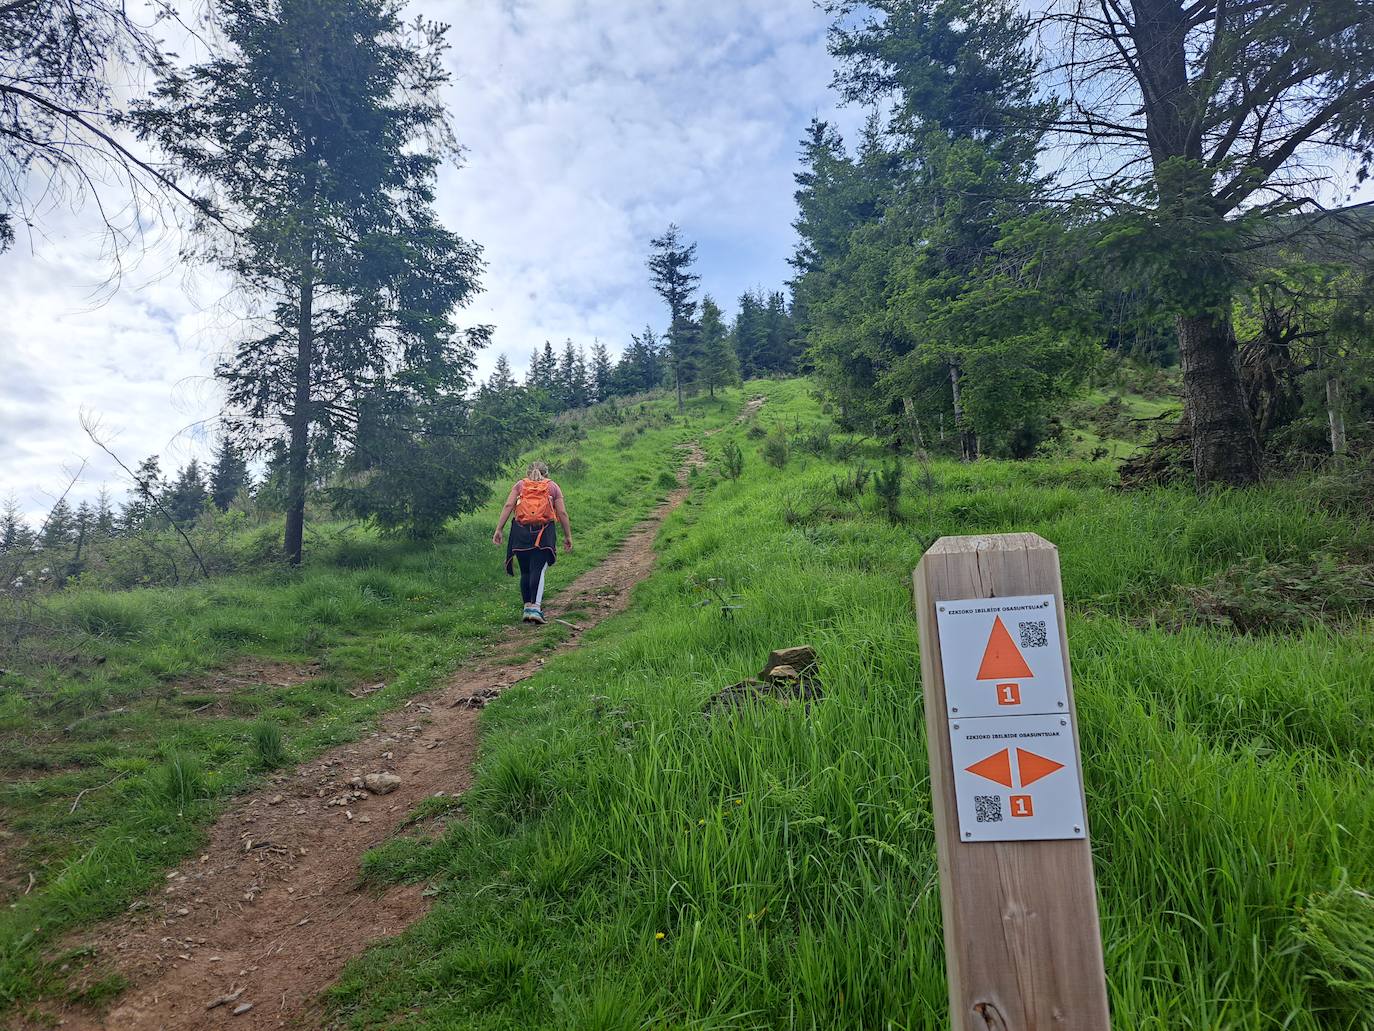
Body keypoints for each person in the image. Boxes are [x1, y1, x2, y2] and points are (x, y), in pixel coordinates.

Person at [493, 460, 573, 624]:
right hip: (543, 533)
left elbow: (509, 505)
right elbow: (562, 513)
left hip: (520, 532)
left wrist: (499, 529)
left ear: (528, 473)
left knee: (525, 571)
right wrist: (568, 536)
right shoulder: (552, 487)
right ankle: (535, 609)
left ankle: (527, 608)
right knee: (538, 569)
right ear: (546, 473)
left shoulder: (520, 485)